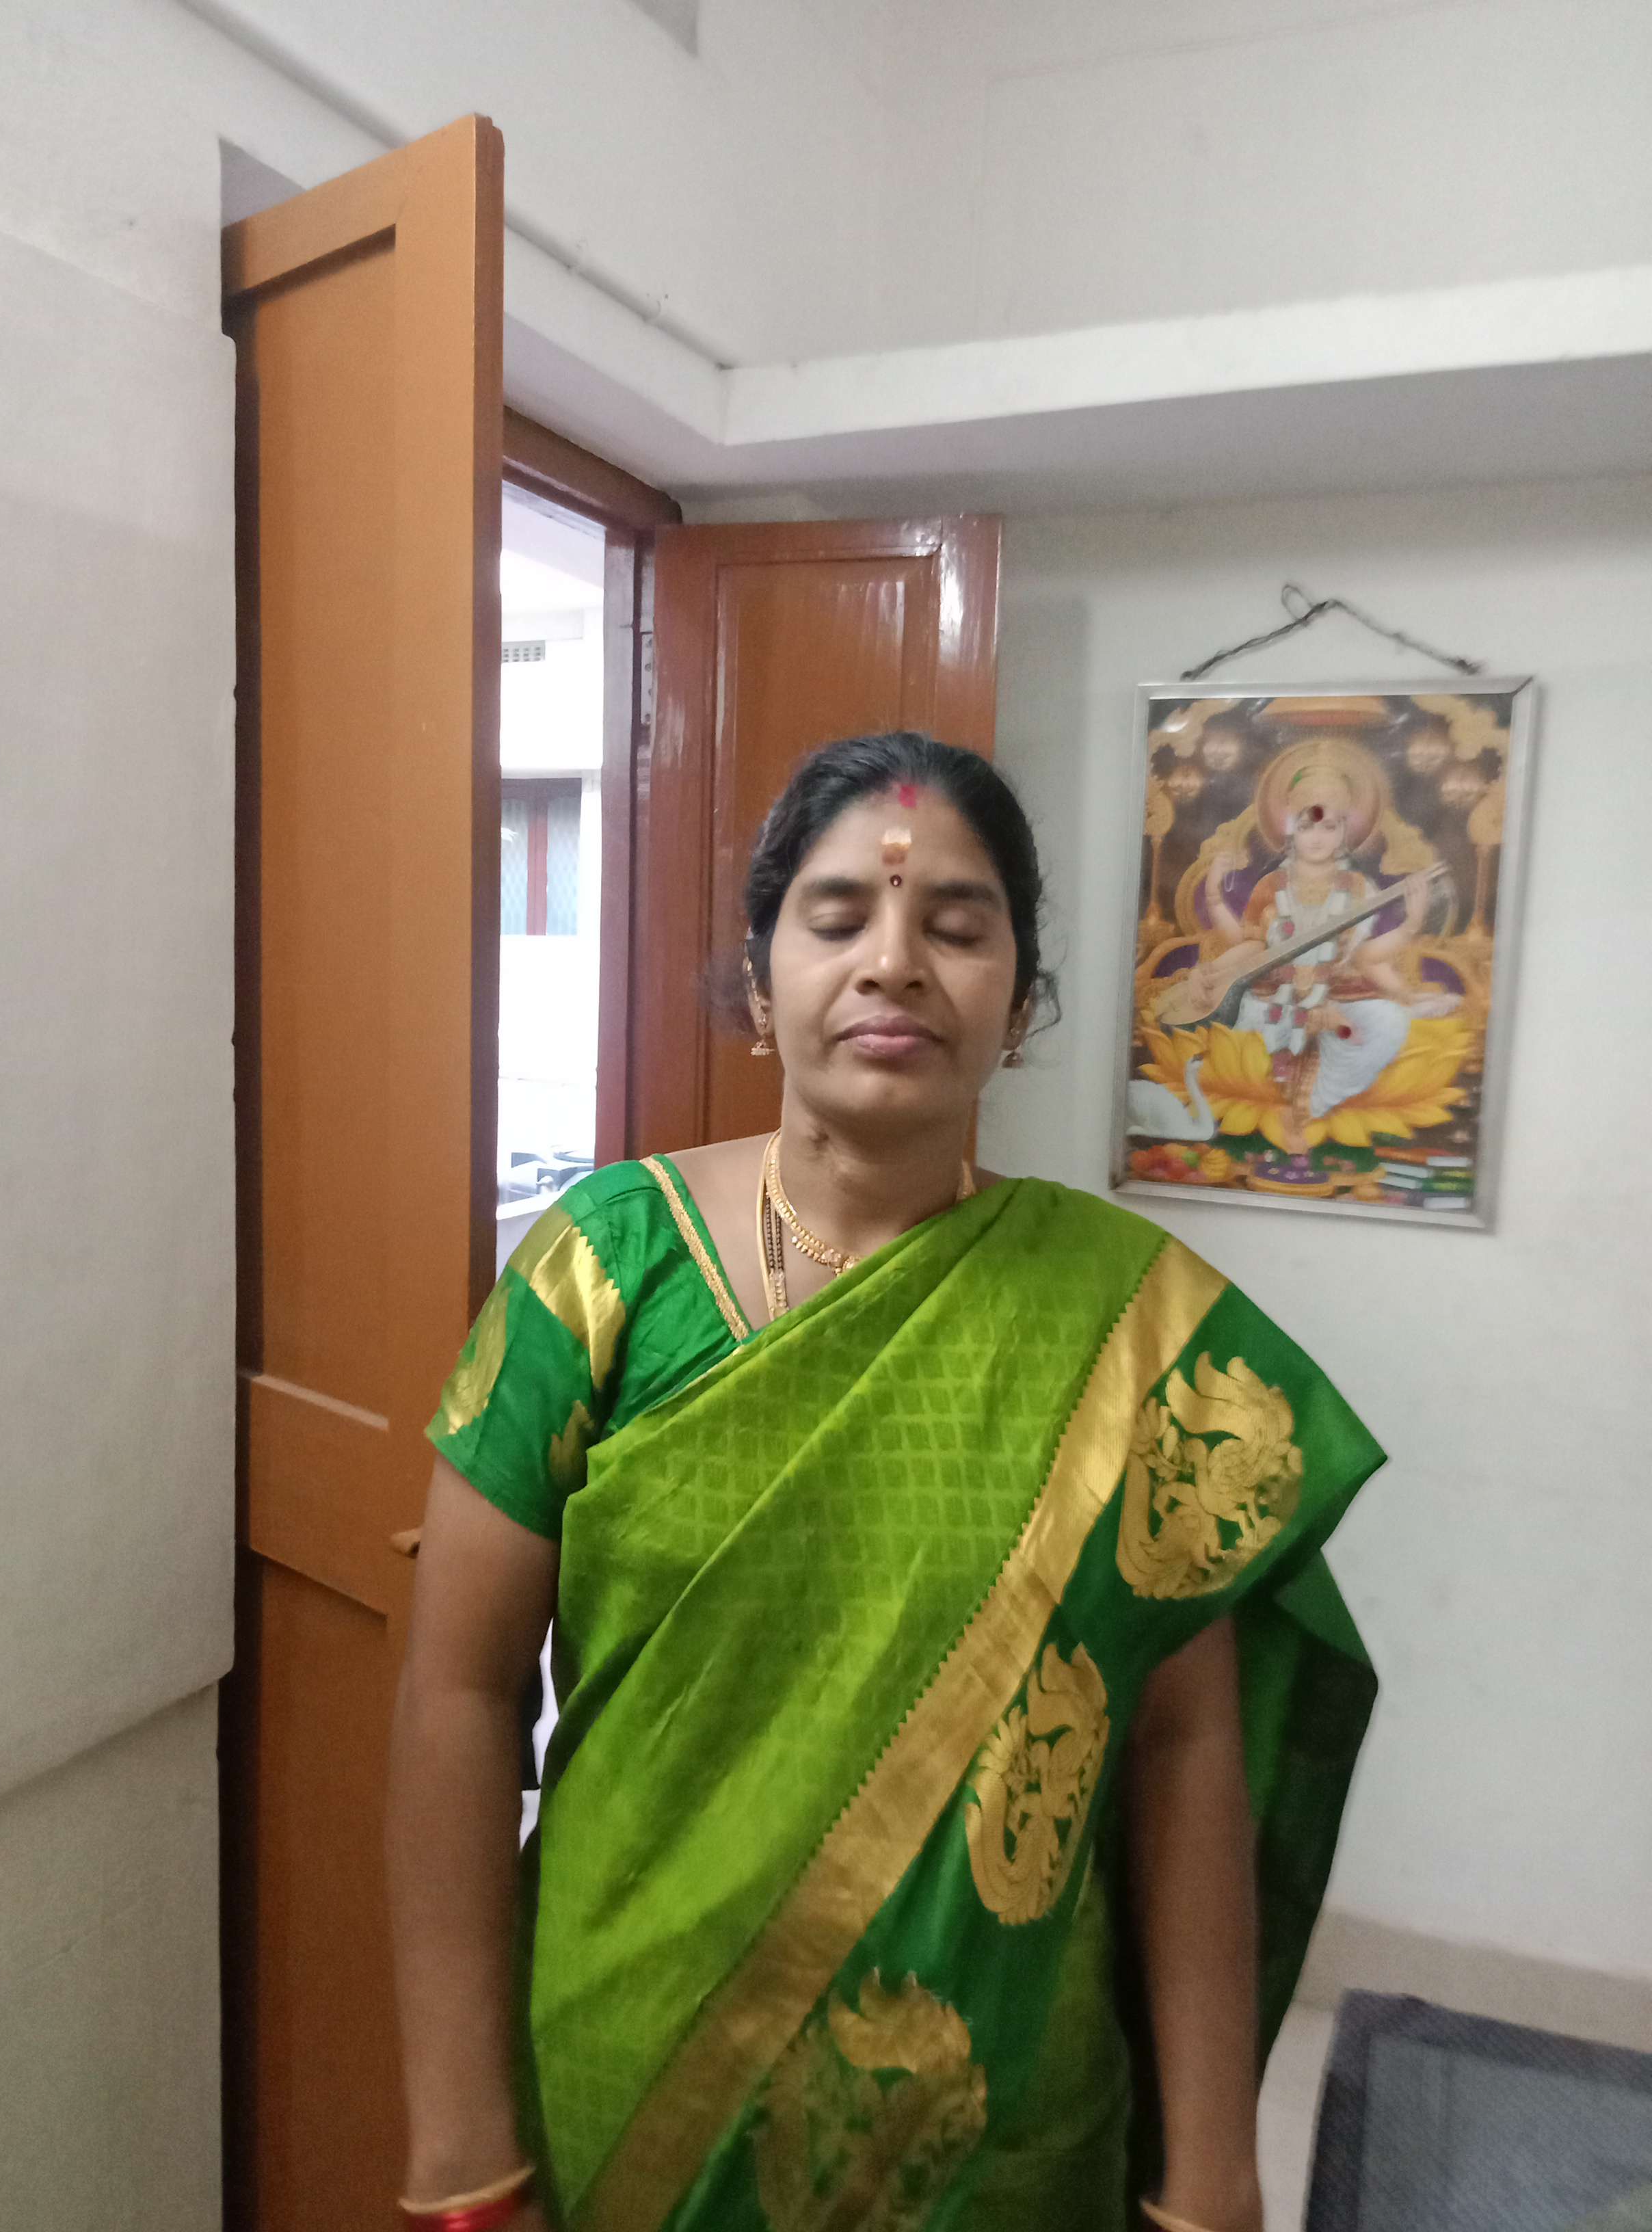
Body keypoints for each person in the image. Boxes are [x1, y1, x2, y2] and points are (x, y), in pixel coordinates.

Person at [387, 733, 1383, 2232]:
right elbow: (459, 1697)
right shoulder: (604, 1271)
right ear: (759, 976)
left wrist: (1213, 2171)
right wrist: (461, 2151)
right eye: (838, 915)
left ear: (1021, 1004)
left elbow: (1185, 1752)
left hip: (1001, 2121)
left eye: (957, 927)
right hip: (624, 2079)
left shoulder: (1131, 1328)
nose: (895, 962)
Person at [1201, 743, 1451, 1153]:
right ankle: (1284, 1089)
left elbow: (1367, 959)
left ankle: (1311, 1106)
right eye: (1307, 827)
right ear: (1290, 830)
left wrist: (1411, 926)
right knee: (1244, 1039)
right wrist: (1214, 898)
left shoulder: (1359, 888)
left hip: (1335, 996)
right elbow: (1249, 947)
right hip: (1273, 1000)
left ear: (1344, 832)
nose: (1317, 838)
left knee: (1390, 1023)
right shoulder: (1270, 887)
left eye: (1329, 827)